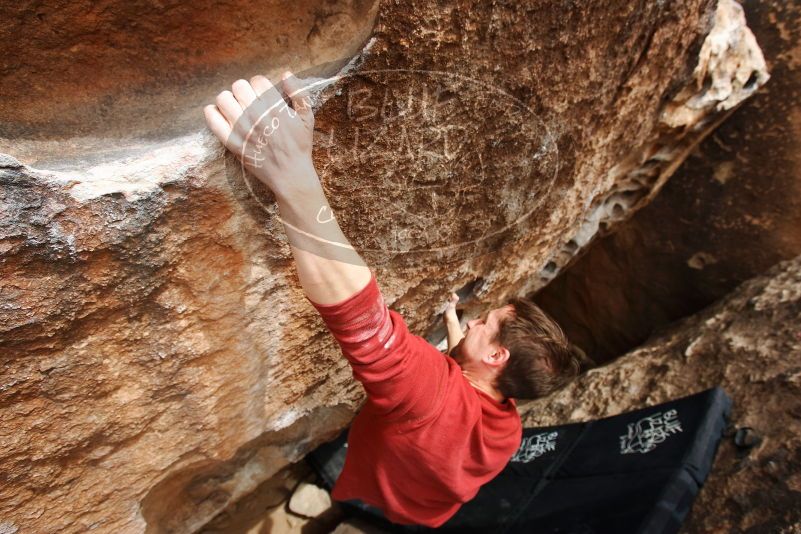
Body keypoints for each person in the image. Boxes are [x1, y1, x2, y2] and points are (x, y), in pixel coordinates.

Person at [203, 72, 584, 529]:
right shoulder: (506, 425)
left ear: (497, 355)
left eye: (487, 323)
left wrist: (293, 175)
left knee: (345, 518)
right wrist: (457, 331)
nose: (477, 320)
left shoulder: (428, 396)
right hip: (420, 514)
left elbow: (362, 318)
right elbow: (466, 391)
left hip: (375, 495)